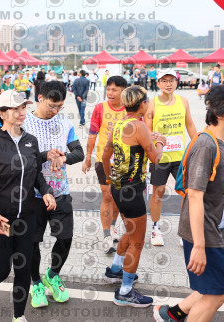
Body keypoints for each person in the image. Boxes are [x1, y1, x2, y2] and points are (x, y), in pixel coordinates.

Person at [154, 85, 224, 322]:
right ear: (219, 112)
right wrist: (198, 246)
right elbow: (195, 196)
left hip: (218, 229)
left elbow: (218, 193)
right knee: (215, 295)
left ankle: (172, 314)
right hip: (205, 235)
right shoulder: (206, 146)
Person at [0, 90, 57, 322]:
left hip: (26, 217)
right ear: (2, 113)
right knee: (2, 269)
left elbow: (36, 174)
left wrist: (47, 191)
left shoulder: (31, 140)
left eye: (23, 108)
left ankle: (18, 317)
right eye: (16, 109)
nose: (22, 113)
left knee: (23, 268)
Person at [102, 85, 166, 307]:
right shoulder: (139, 126)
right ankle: (125, 291)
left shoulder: (119, 124)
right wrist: (160, 143)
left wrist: (110, 178)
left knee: (130, 232)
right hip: (132, 190)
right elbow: (156, 158)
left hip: (119, 188)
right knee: (137, 242)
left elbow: (105, 156)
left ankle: (115, 270)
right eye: (147, 101)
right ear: (142, 104)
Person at [23, 80, 84, 308]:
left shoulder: (64, 122)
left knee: (65, 238)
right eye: (51, 106)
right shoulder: (24, 122)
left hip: (60, 191)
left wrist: (64, 157)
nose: (55, 111)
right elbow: (19, 158)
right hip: (33, 194)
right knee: (32, 242)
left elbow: (79, 152)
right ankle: (36, 283)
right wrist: (45, 155)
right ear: (40, 98)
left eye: (60, 106)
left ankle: (53, 275)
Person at [145, 69, 197, 246]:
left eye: (172, 80)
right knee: (158, 192)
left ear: (177, 82)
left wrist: (198, 145)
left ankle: (184, 231)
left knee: (186, 193)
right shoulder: (152, 104)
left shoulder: (183, 101)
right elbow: (147, 130)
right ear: (158, 83)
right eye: (164, 80)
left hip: (180, 157)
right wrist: (154, 138)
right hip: (160, 156)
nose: (168, 84)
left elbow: (190, 125)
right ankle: (155, 228)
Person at [83, 75, 128, 253]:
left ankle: (114, 226)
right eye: (108, 89)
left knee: (119, 196)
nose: (110, 92)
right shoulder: (100, 108)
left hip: (125, 161)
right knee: (107, 195)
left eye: (114, 90)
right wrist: (88, 156)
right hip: (104, 160)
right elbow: (93, 133)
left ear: (124, 91)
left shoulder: (130, 109)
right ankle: (107, 235)